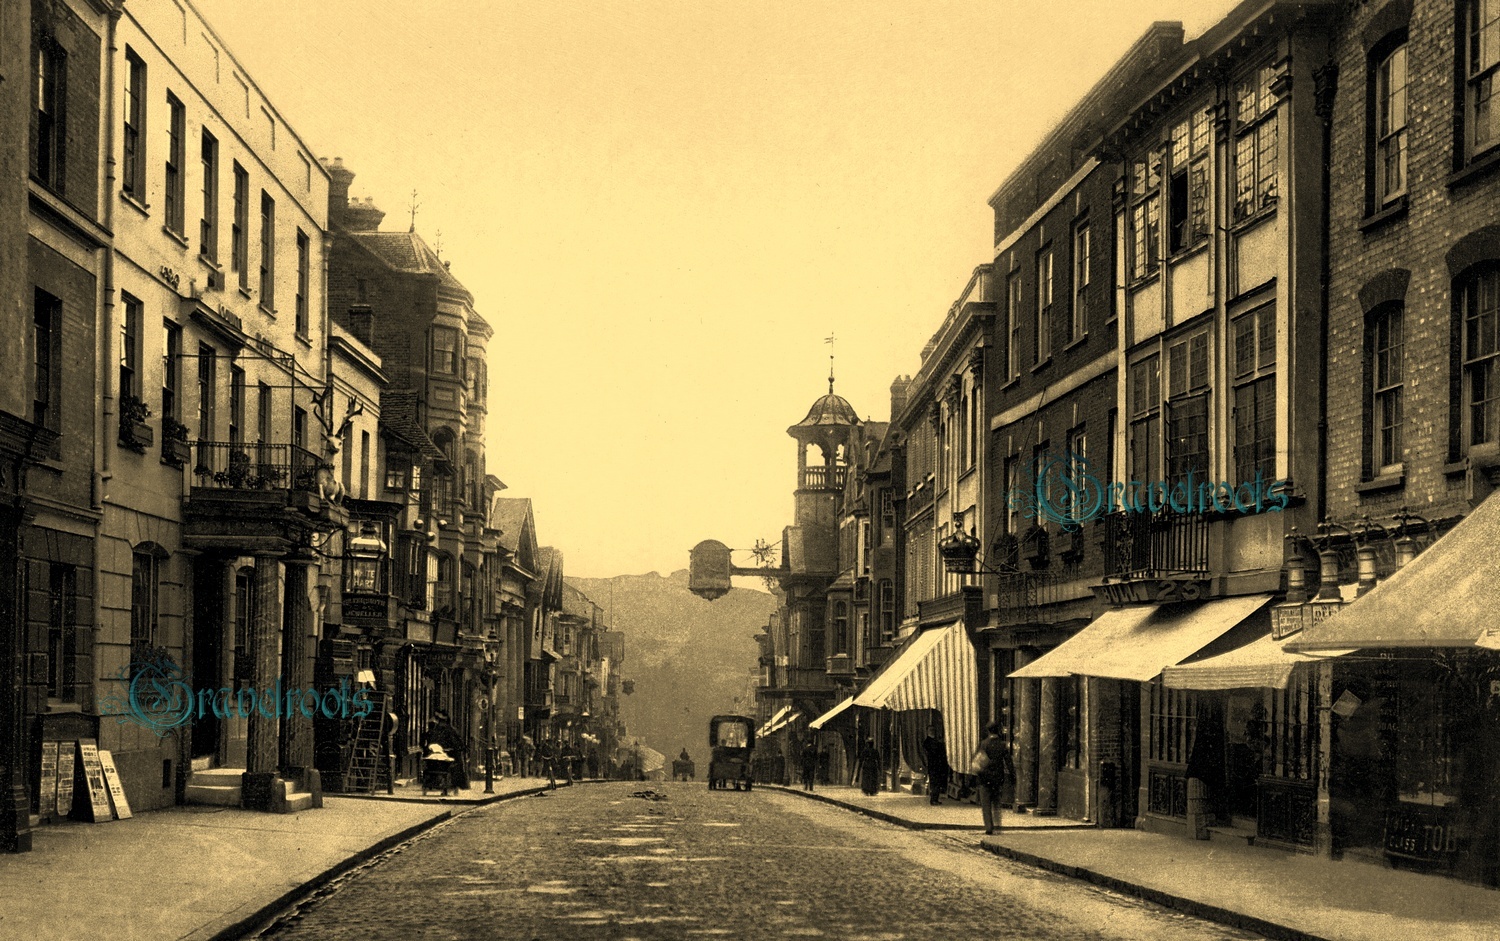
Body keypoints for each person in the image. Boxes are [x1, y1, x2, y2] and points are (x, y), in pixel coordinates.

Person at [974, 723, 1013, 835]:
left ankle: (989, 827)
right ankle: (997, 825)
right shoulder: (1002, 745)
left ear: (988, 731)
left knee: (986, 804)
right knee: (996, 803)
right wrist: (1012, 775)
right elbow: (1008, 761)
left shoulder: (984, 744)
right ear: (998, 731)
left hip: (985, 778)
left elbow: (979, 761)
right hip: (997, 778)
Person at [423, 711, 466, 794]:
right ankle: (453, 786)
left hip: (442, 755)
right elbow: (458, 743)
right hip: (446, 755)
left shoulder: (438, 730)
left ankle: (449, 785)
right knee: (453, 766)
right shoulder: (451, 730)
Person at [921, 725, 951, 806]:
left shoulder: (931, 741)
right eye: (931, 730)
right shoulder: (929, 742)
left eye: (933, 730)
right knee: (935, 783)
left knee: (935, 782)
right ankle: (934, 800)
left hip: (935, 766)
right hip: (934, 766)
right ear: (928, 732)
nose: (932, 731)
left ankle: (935, 799)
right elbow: (936, 751)